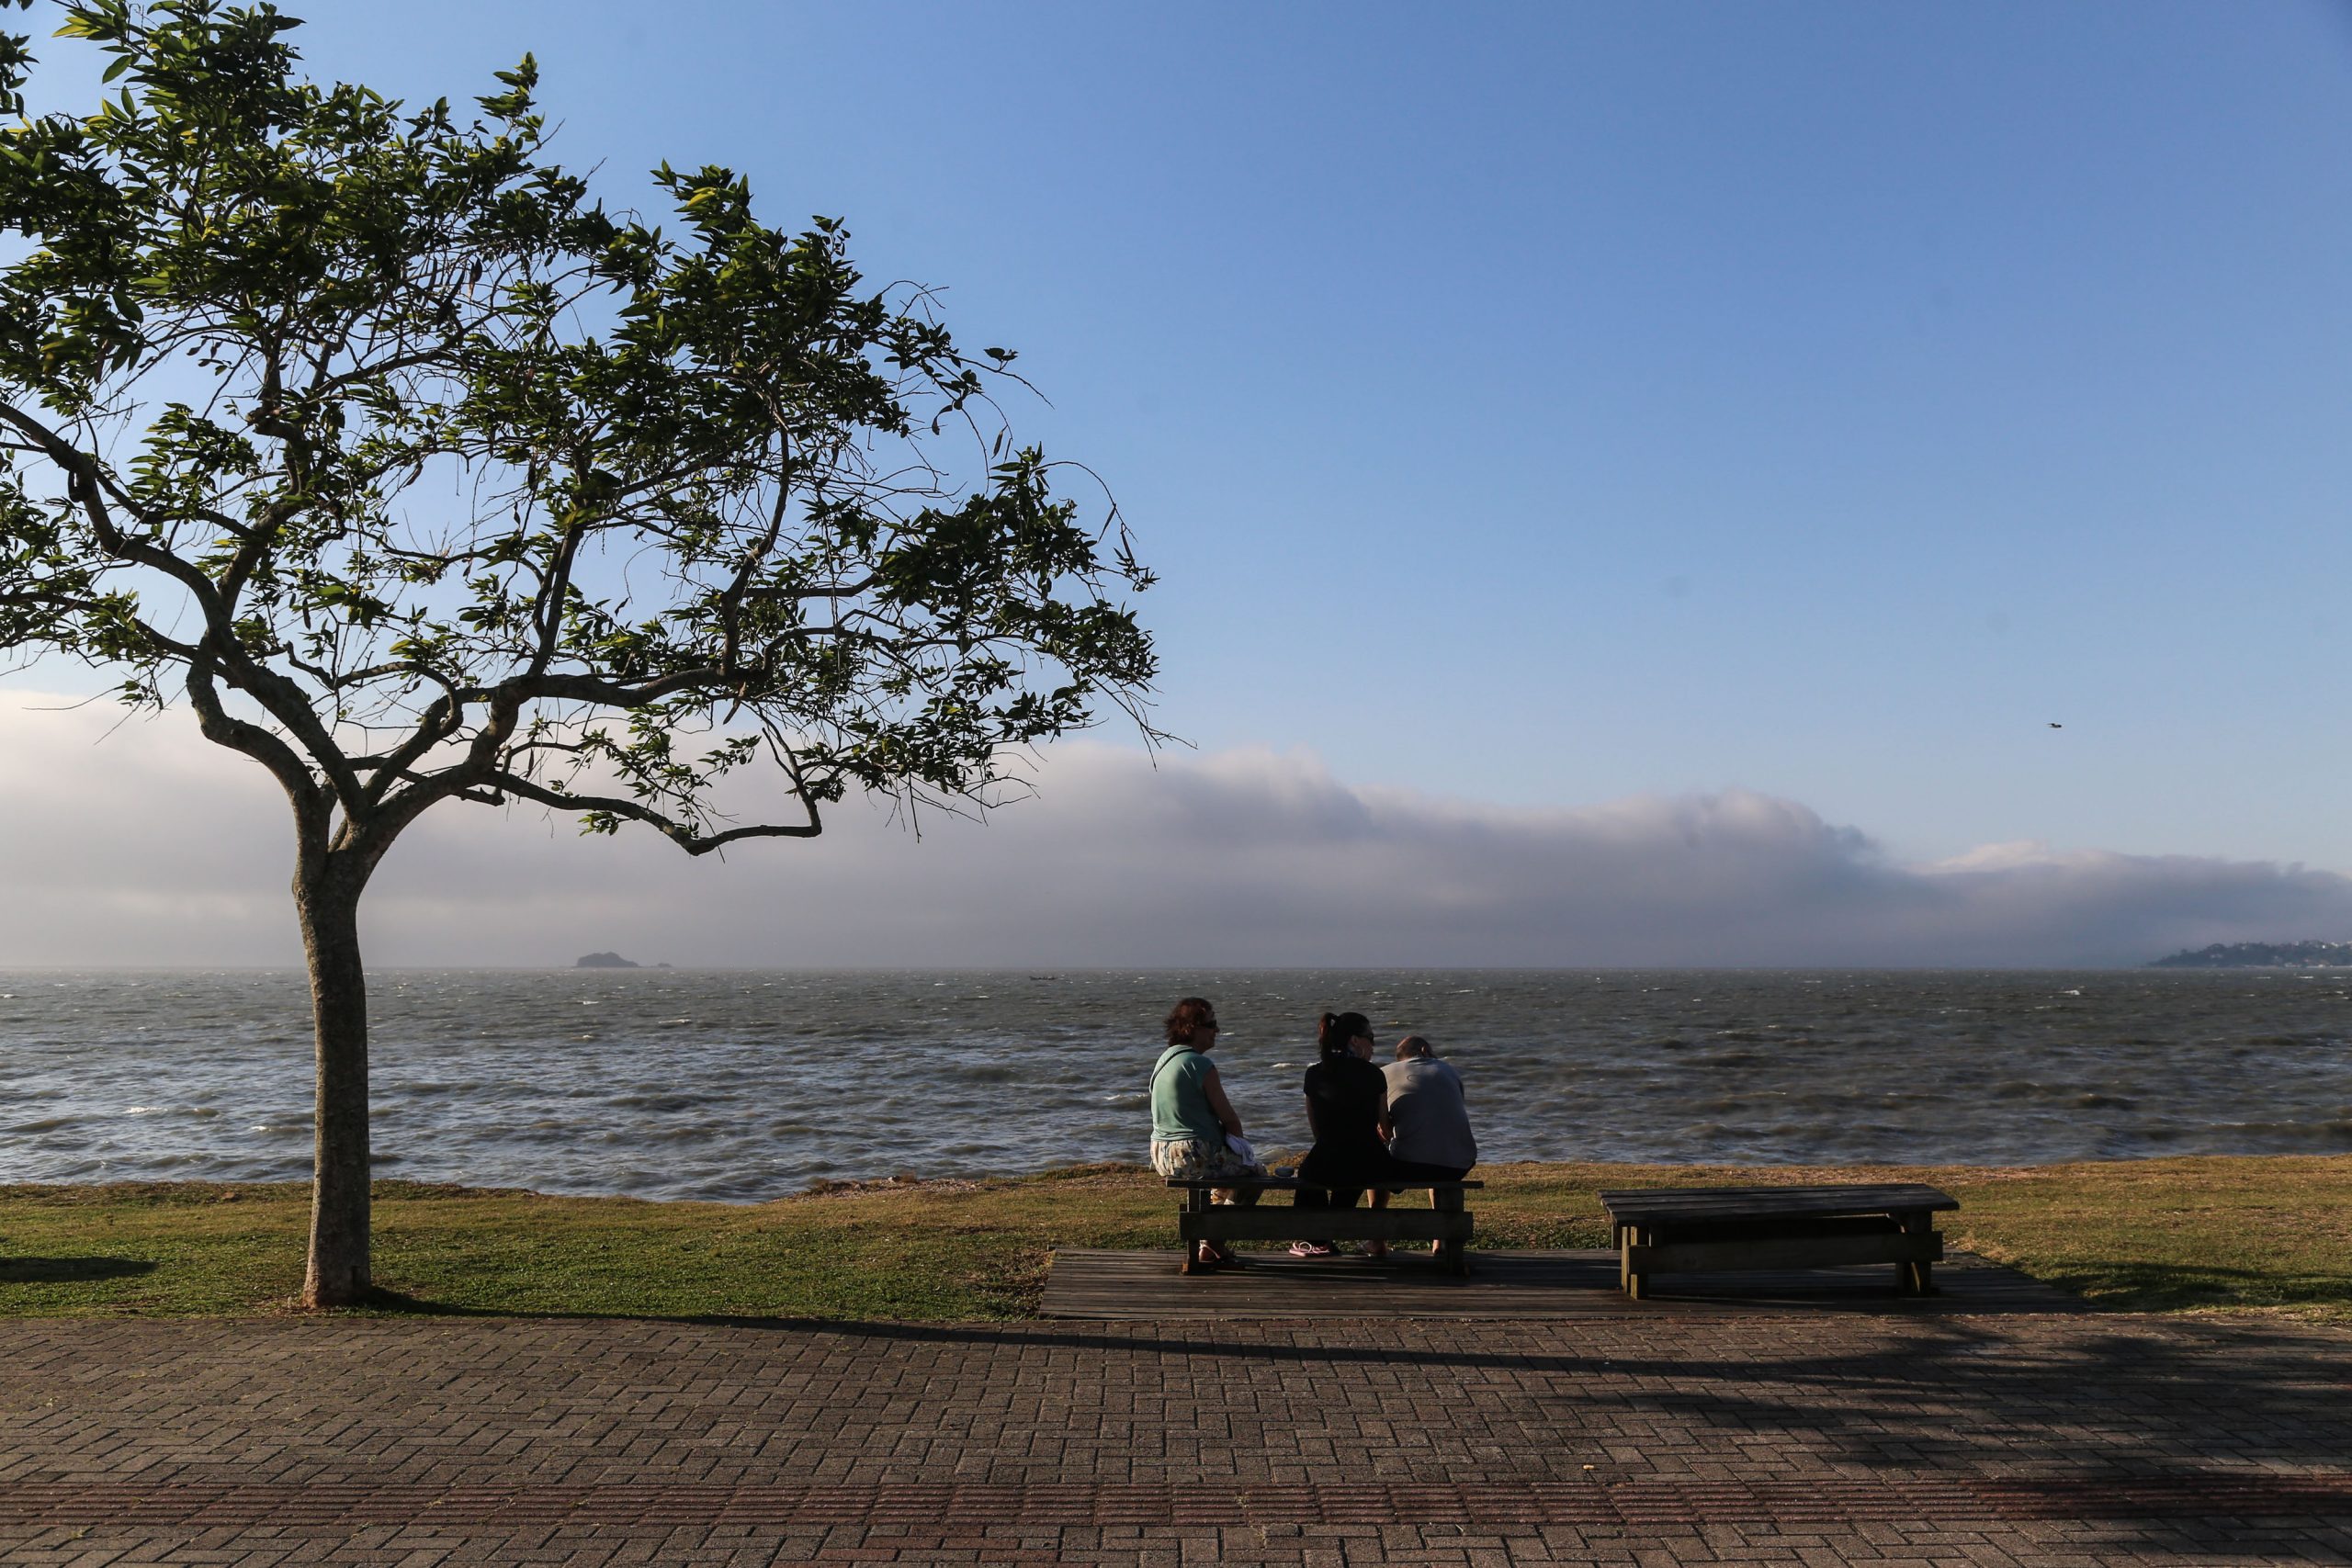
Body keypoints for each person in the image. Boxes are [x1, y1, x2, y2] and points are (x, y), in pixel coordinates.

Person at [1292, 1011, 1461, 1258]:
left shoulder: (1314, 1074)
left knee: (1311, 1174)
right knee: (1360, 1163)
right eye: (1370, 1037)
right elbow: (1385, 1128)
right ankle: (1333, 1233)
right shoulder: (1373, 1074)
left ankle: (1317, 1238)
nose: (1373, 1045)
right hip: (1368, 1162)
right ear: (1354, 1041)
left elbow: (1316, 1128)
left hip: (1326, 1161)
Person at [1148, 997, 1262, 1269]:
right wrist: (1241, 1148)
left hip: (1163, 1154)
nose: (1216, 1031)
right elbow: (1230, 1119)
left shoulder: (1164, 1061)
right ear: (1192, 1028)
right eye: (1211, 1024)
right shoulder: (1200, 1066)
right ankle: (1214, 1239)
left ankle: (1211, 1243)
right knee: (1254, 1173)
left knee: (1224, 1174)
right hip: (1192, 1154)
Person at [1385, 1035, 1476, 1254]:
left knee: (1381, 1155)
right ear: (1425, 1051)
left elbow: (1383, 1129)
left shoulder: (1384, 1072)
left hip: (1412, 1165)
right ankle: (1439, 1241)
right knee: (1435, 1147)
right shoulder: (1449, 1071)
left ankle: (1377, 1240)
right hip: (1458, 1163)